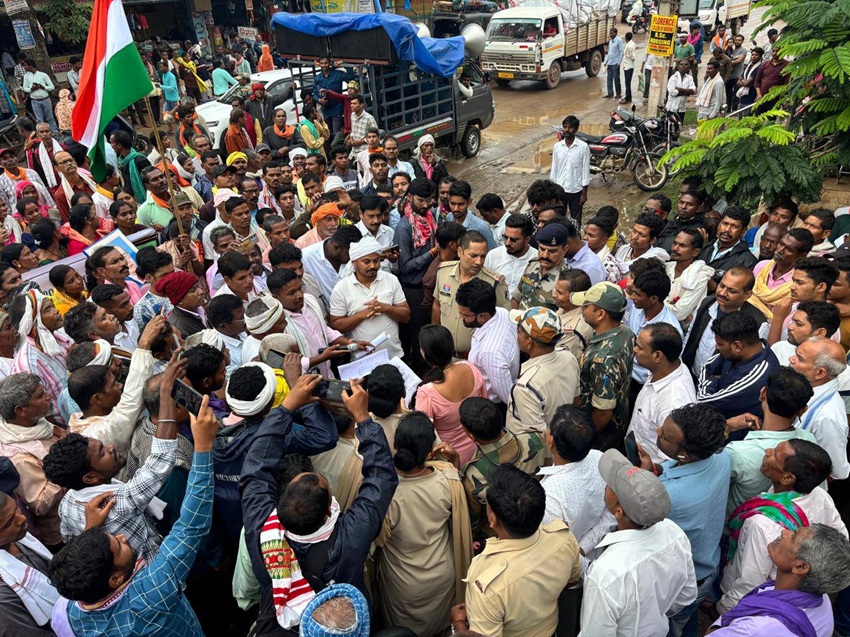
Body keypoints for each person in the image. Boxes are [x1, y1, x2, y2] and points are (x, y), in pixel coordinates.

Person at [48, 391, 219, 636]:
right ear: (116, 580)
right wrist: (203, 448)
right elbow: (190, 527)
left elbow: (71, 547)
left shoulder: (71, 612)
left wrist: (91, 531)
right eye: (118, 548)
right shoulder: (153, 590)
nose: (123, 538)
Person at [242, 375, 396, 634]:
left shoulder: (261, 528)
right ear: (329, 509)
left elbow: (256, 466)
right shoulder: (351, 536)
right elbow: (381, 477)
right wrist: (363, 419)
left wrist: (287, 407)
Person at [43, 355, 184, 562]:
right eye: (102, 453)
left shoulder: (68, 503)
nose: (110, 448)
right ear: (90, 478)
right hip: (153, 569)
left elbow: (71, 539)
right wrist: (165, 396)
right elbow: (160, 458)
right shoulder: (117, 503)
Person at [718, 439, 847, 614]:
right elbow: (841, 539)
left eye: (775, 454)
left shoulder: (761, 523)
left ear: (787, 478)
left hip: (752, 599)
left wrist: (724, 609)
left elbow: (750, 581)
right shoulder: (820, 495)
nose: (767, 451)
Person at [454, 465, 581, 637]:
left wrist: (459, 623)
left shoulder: (486, 582)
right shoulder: (564, 539)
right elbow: (571, 584)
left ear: (492, 519)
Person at [580, 449, 697, 635]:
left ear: (618, 511)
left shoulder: (605, 573)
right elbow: (687, 595)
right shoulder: (674, 532)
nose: (606, 486)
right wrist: (654, 614)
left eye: (611, 485)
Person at [636, 404, 730, 635]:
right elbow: (676, 468)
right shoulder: (720, 456)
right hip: (706, 567)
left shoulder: (670, 496)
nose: (658, 430)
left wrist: (645, 480)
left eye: (665, 436)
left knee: (670, 627)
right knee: (686, 618)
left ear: (684, 455)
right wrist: (656, 469)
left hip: (683, 582)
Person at [378, 412, 472, 635]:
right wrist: (454, 461)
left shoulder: (386, 492)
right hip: (442, 574)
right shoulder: (447, 479)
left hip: (402, 582)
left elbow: (376, 540)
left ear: (394, 444)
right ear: (431, 450)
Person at [712, 523, 850, 635]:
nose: (784, 532)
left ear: (800, 567)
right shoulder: (822, 600)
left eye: (793, 537)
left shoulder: (755, 628)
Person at [724, 366, 817, 516]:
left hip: (736, 528)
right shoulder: (808, 440)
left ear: (763, 393)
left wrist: (727, 426)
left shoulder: (737, 452)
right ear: (803, 409)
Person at [538, 405, 615, 564]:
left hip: (573, 571)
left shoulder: (548, 498)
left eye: (549, 428)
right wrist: (584, 547)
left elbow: (553, 556)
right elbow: (612, 512)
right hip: (596, 556)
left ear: (551, 441)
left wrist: (577, 551)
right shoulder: (600, 459)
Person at [0, 373, 65, 549]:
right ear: (21, 410)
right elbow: (41, 503)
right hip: (62, 532)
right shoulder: (19, 457)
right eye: (39, 395)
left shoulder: (37, 424)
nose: (48, 396)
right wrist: (71, 469)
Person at [572, 282, 635, 450]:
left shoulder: (604, 359)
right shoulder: (624, 331)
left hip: (603, 434)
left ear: (600, 314)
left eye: (586, 306)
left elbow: (603, 412)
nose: (581, 310)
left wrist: (587, 439)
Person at [328, 236, 409, 359]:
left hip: (393, 356)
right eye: (366, 262)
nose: (372, 266)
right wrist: (362, 314)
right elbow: (336, 325)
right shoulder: (342, 288)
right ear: (354, 263)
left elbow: (406, 316)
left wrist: (386, 308)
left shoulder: (391, 280)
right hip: (362, 360)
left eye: (376, 261)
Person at [433, 231, 510, 355]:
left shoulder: (494, 283)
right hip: (445, 353)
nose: (479, 261)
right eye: (473, 255)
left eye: (483, 256)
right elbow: (437, 306)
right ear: (459, 252)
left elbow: (504, 321)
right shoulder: (443, 272)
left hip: (477, 356)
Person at [628, 323, 696, 463]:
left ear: (658, 356)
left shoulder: (673, 402)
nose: (634, 350)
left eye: (639, 347)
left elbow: (671, 460)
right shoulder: (665, 368)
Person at [506, 306, 579, 435]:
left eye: (518, 332)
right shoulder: (569, 357)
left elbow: (538, 439)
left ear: (529, 342)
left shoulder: (526, 388)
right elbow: (576, 401)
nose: (516, 336)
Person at [697, 311, 780, 421]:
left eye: (720, 344)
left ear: (737, 346)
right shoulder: (735, 352)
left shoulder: (757, 376)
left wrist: (711, 381)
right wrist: (713, 381)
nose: (717, 347)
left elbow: (703, 400)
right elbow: (707, 367)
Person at [788, 337, 850, 481]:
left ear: (820, 373)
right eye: (796, 353)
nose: (791, 359)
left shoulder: (827, 418)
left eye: (800, 359)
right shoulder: (804, 388)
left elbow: (836, 472)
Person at [10, 291, 74, 419]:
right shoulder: (28, 364)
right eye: (47, 310)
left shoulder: (61, 335)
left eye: (52, 306)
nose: (55, 311)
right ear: (35, 323)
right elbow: (36, 411)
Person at [456, 278, 520, 407]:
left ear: (482, 316)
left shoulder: (490, 353)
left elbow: (506, 396)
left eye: (465, 315)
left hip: (491, 406)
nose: (460, 317)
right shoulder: (501, 312)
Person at [512, 223, 573, 311]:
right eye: (542, 249)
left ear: (565, 249)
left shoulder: (567, 279)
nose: (545, 255)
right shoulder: (532, 265)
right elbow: (516, 297)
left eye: (552, 251)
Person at [699, 206, 758, 290]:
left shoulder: (747, 262)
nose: (727, 229)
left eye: (734, 226)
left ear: (743, 231)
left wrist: (715, 287)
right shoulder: (706, 247)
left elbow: (740, 294)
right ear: (719, 224)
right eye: (725, 223)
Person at [549, 115, 590, 225]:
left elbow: (585, 171)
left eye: (570, 127)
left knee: (576, 221)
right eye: (565, 127)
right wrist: (553, 192)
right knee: (558, 219)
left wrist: (584, 193)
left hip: (576, 191)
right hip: (560, 190)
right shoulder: (557, 147)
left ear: (576, 129)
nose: (567, 130)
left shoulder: (583, 147)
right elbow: (554, 169)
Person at [484, 213, 538, 294]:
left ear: (527, 239)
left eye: (514, 240)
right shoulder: (493, 256)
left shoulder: (537, 259)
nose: (507, 243)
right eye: (505, 237)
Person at [156, 270, 208, 337]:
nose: (201, 291)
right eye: (193, 290)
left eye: (198, 287)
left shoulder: (200, 308)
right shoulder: (179, 328)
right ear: (180, 301)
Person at [21, 60, 57, 134]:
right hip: (35, 101)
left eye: (26, 65)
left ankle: (55, 133)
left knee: (50, 118)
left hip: (45, 99)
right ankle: (42, 134)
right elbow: (25, 88)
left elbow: (52, 87)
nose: (24, 67)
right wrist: (31, 89)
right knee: (39, 119)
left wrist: (42, 87)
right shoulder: (26, 76)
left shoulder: (43, 75)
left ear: (31, 66)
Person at [603, 28, 624, 99]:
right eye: (610, 33)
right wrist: (605, 62)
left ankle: (618, 93)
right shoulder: (610, 41)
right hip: (610, 63)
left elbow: (621, 52)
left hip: (615, 63)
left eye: (611, 33)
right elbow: (609, 53)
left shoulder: (619, 41)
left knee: (616, 79)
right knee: (609, 79)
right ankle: (610, 93)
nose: (610, 35)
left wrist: (619, 63)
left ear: (615, 33)